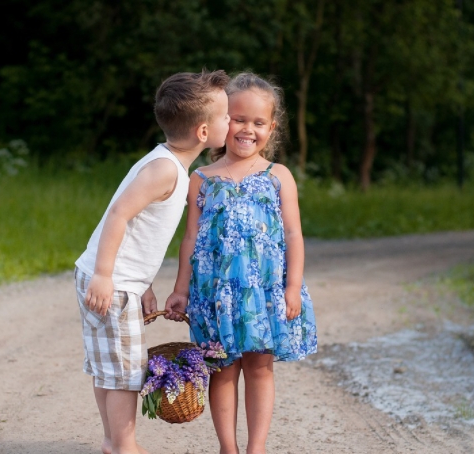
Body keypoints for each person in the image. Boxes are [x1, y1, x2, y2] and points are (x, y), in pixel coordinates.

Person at [74, 69, 230, 454]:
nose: (232, 120)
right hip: (111, 283)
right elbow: (118, 216)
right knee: (127, 375)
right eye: (226, 116)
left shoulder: (168, 164)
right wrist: (106, 276)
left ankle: (113, 441)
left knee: (108, 369)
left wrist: (141, 283)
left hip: (115, 279)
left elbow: (137, 231)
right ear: (204, 133)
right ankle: (124, 446)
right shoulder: (164, 170)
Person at [165, 72, 318, 454]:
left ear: (272, 127)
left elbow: (294, 236)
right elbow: (190, 239)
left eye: (258, 122)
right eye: (238, 119)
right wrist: (181, 289)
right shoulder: (200, 178)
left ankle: (256, 448)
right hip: (215, 294)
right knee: (222, 367)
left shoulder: (278, 176)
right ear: (219, 121)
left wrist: (292, 286)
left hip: (263, 292)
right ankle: (228, 448)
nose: (247, 129)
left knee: (261, 367)